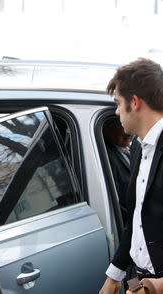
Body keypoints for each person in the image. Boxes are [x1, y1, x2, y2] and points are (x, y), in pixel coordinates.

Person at [99, 58, 163, 294]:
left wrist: (155, 288)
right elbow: (136, 219)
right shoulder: (138, 147)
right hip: (137, 279)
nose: (116, 111)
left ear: (134, 102)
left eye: (118, 103)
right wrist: (114, 276)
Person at [103, 117, 133, 223]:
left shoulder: (136, 148)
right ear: (108, 128)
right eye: (121, 124)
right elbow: (114, 201)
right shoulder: (106, 156)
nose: (128, 133)